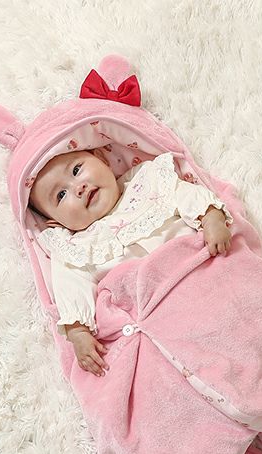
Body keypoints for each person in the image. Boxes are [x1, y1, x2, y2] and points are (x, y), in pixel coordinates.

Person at [28, 148, 234, 378]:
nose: (78, 188)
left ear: (101, 158)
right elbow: (71, 289)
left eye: (76, 170)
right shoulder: (75, 248)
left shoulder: (147, 181)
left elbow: (186, 195)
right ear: (56, 222)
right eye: (61, 195)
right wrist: (79, 333)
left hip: (204, 276)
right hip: (156, 317)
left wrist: (211, 218)